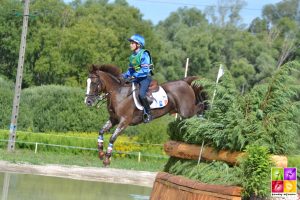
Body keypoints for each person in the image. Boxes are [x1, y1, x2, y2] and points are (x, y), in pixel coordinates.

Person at [123, 34, 153, 123]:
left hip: (145, 78)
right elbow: (130, 71)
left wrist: (134, 76)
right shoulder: (132, 56)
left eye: (132, 43)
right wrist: (123, 76)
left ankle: (148, 113)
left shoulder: (144, 54)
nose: (130, 45)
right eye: (130, 43)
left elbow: (145, 70)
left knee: (141, 94)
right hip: (136, 78)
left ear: (138, 45)